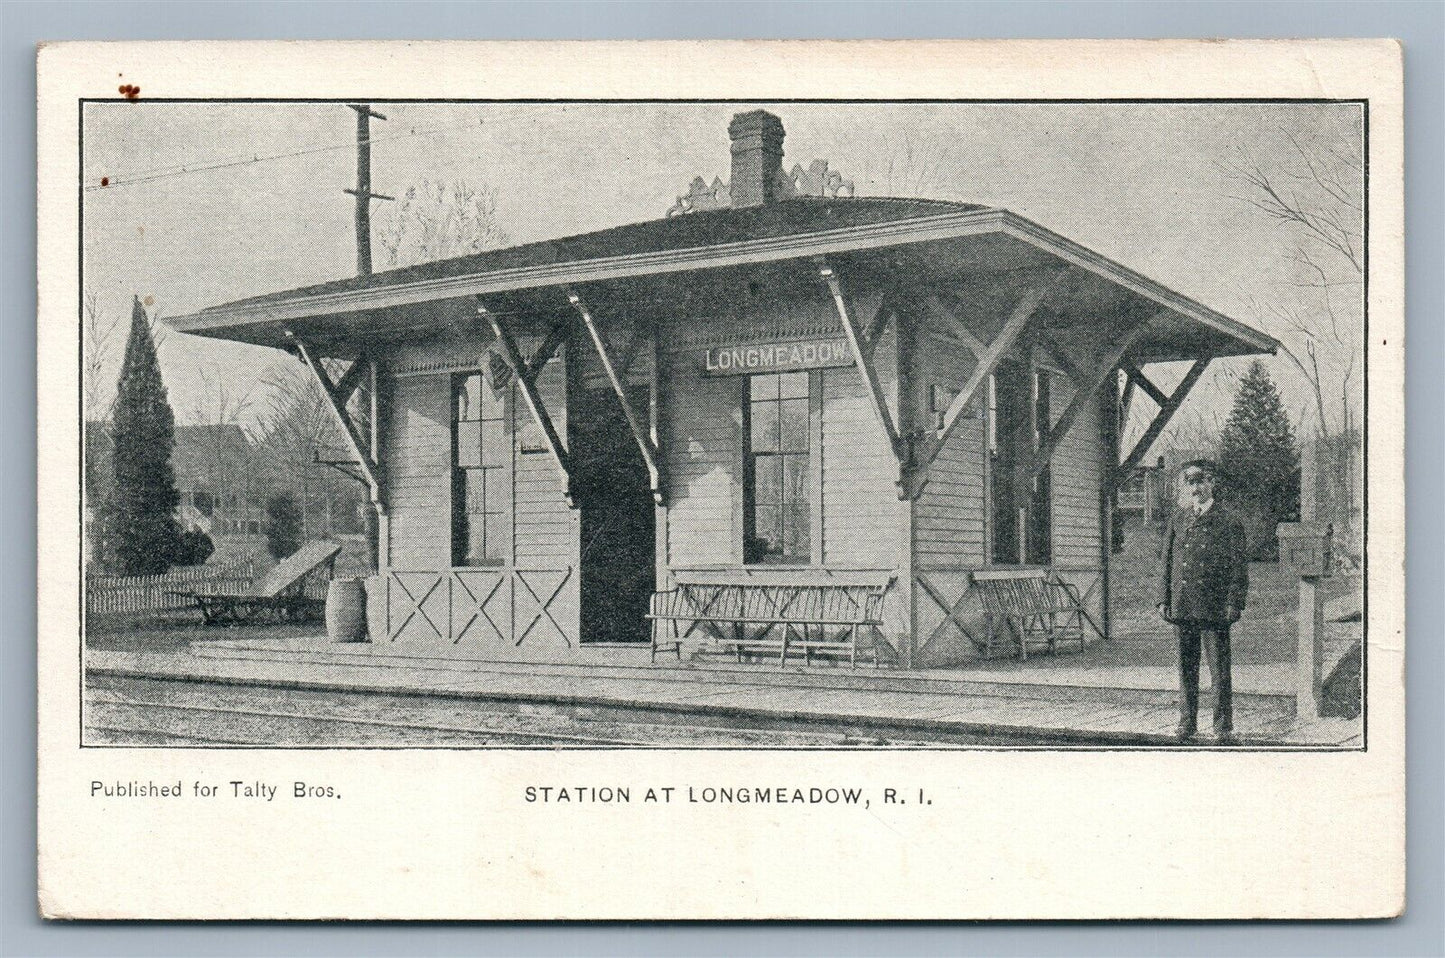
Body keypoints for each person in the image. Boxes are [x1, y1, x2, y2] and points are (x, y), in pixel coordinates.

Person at [1156, 458, 1249, 743]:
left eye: (1201, 482)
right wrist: (1163, 598)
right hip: (1182, 605)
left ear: (1211, 484)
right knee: (1186, 668)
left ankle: (1222, 726)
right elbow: (1167, 560)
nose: (1196, 488)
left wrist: (1234, 602)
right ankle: (1187, 723)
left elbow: (1238, 567)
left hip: (1214, 607)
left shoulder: (1228, 521)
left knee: (1219, 670)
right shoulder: (1179, 518)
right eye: (1191, 483)